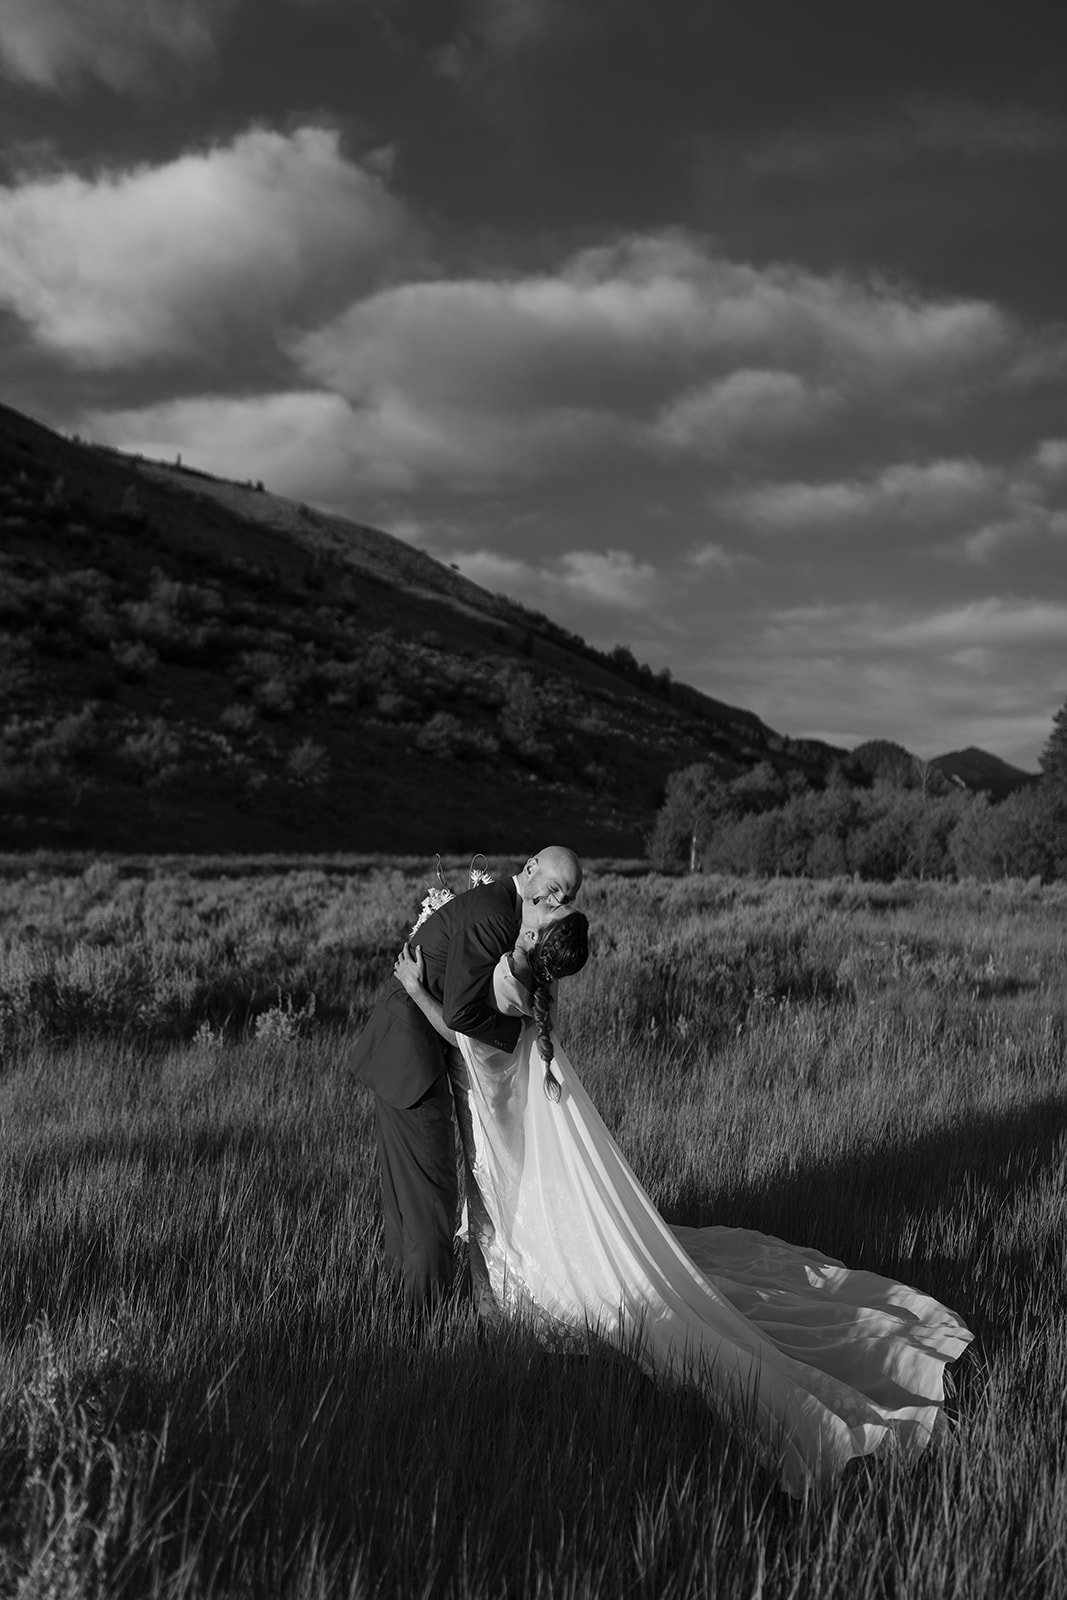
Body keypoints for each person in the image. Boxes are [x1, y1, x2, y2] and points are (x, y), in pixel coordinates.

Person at [393, 920, 973, 1496]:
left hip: (501, 1124)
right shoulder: (527, 985)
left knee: (606, 1290)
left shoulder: (510, 986)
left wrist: (420, 991)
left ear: (534, 953)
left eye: (532, 931)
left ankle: (829, 1424)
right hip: (510, 1125)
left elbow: (467, 1038)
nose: (525, 928)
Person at [351, 846, 582, 1318]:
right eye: (554, 888)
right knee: (430, 1200)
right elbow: (462, 1019)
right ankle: (422, 1322)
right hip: (410, 1054)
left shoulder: (511, 918)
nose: (558, 900)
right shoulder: (496, 916)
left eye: (568, 895)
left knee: (412, 1199)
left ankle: (407, 1314)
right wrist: (509, 1037)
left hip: (414, 1047)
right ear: (530, 869)